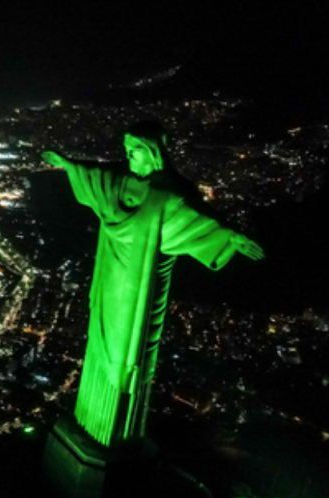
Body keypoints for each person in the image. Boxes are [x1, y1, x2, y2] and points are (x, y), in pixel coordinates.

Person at [40, 121, 264, 447]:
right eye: (127, 150)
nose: (129, 156)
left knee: (128, 350)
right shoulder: (120, 180)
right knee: (99, 340)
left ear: (153, 152)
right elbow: (94, 174)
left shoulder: (168, 195)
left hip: (140, 286)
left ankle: (115, 432)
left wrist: (231, 236)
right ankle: (91, 420)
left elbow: (199, 219)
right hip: (109, 275)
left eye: (135, 151)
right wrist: (66, 163)